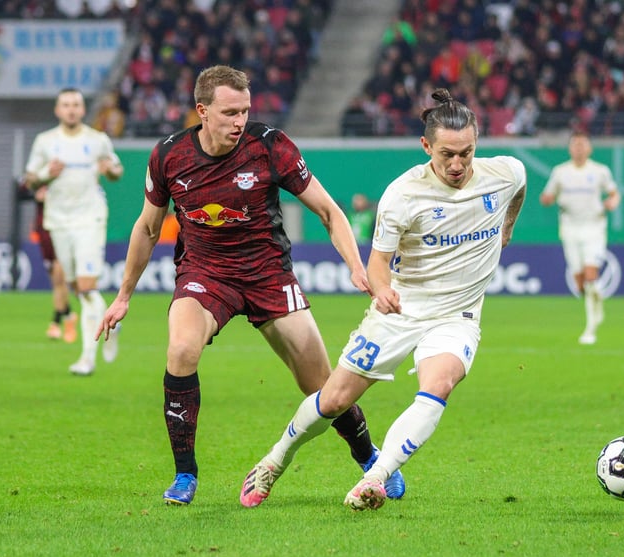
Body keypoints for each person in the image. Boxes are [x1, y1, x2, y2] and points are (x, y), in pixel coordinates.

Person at [95, 65, 406, 506]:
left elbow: (329, 212)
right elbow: (147, 229)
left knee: (323, 387)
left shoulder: (270, 146)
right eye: (229, 112)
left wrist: (357, 267)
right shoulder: (168, 157)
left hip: (267, 274)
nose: (240, 121)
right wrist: (123, 296)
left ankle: (369, 458)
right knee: (181, 349)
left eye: (245, 110)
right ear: (202, 111)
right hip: (205, 274)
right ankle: (185, 475)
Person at [239, 88, 527, 511]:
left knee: (439, 384)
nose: (458, 164)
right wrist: (382, 288)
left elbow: (518, 190)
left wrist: (507, 227)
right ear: (426, 145)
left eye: (466, 152)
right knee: (335, 399)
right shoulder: (403, 195)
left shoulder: (505, 173)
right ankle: (274, 460)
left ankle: (375, 476)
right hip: (402, 308)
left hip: (457, 314)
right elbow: (378, 264)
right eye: (447, 153)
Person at [24, 87, 124, 376]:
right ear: (58, 110)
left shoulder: (97, 140)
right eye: (65, 105)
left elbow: (117, 171)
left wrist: (110, 170)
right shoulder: (45, 142)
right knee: (75, 287)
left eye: (76, 105)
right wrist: (45, 175)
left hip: (89, 219)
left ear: (82, 110)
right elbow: (29, 180)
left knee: (86, 287)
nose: (71, 109)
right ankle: (112, 321)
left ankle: (87, 358)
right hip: (58, 221)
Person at [539, 132, 620, 345]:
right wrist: (547, 199)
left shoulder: (600, 171)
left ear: (589, 149)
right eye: (576, 145)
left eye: (583, 145)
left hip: (594, 227)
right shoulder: (560, 172)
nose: (579, 148)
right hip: (570, 229)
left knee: (592, 274)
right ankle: (596, 301)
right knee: (580, 283)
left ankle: (590, 328)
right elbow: (547, 196)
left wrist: (613, 202)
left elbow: (614, 193)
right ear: (570, 149)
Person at [28, 184, 78, 343]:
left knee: (59, 281)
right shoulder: (40, 190)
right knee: (57, 285)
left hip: (59, 242)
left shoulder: (59, 193)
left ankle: (56, 322)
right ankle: (69, 316)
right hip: (45, 244)